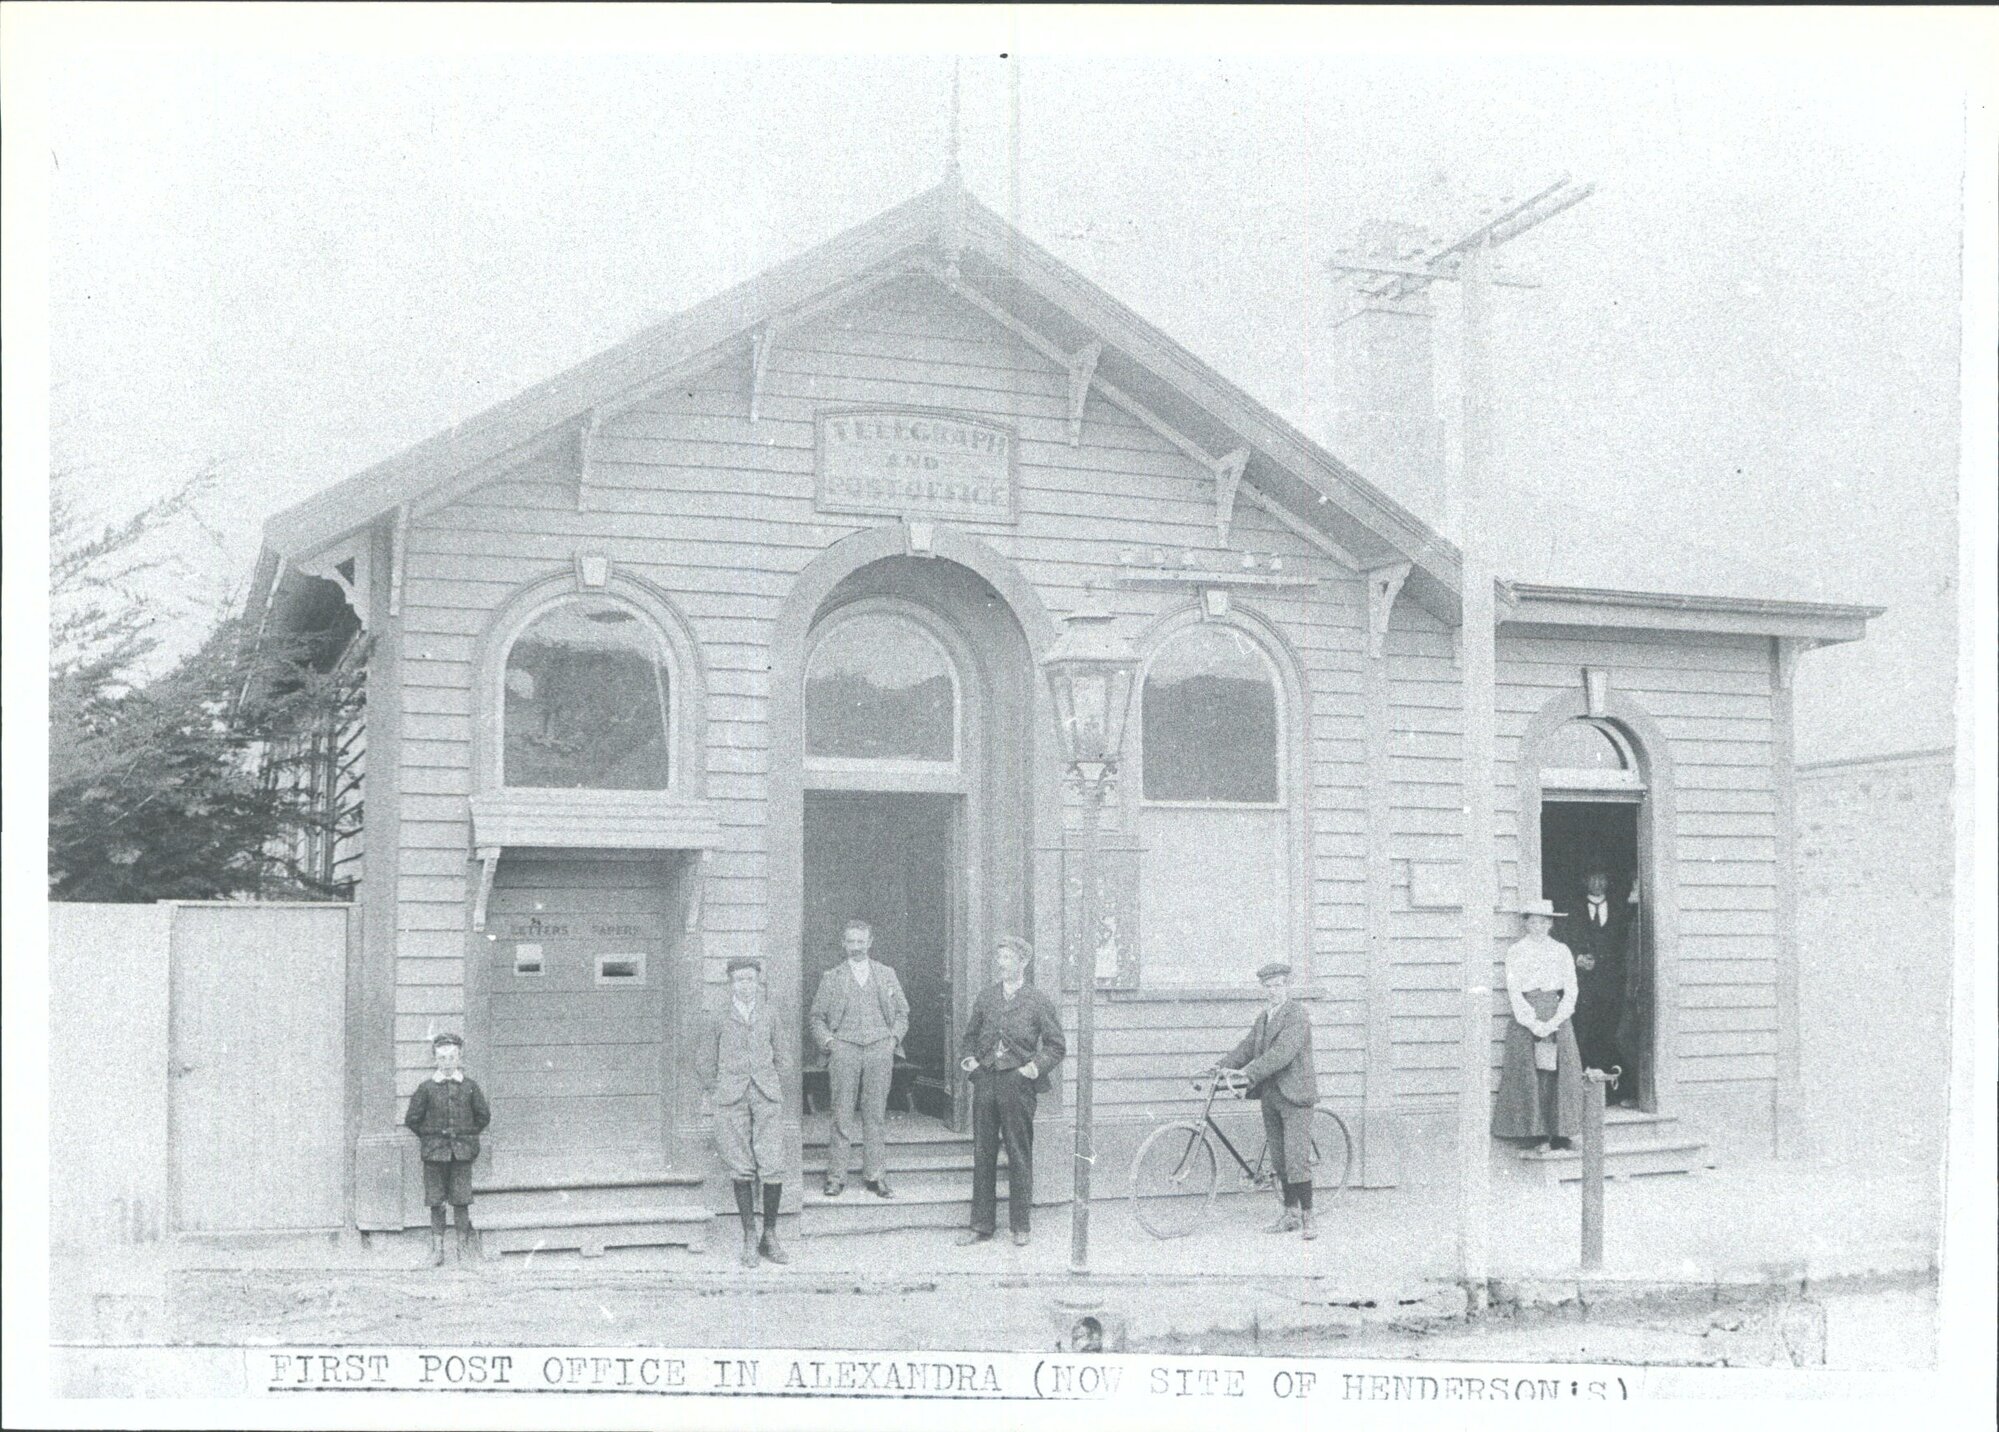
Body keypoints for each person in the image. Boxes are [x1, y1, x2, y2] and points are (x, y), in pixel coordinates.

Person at [954, 935, 1066, 1248]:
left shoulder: (1038, 1000)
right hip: (986, 1082)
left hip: (1018, 1086)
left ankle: (1021, 1225)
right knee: (983, 1153)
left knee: (1018, 1152)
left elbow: (1057, 1045)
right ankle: (981, 1225)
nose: (1001, 964)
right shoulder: (986, 997)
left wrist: (1031, 1069)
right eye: (999, 958)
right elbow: (969, 1037)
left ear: (1023, 962)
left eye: (1007, 958)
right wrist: (973, 1067)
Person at [1216, 961, 1321, 1240]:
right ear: (1263, 989)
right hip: (1271, 1094)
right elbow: (1247, 1047)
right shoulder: (1264, 1018)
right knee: (1279, 1157)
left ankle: (1309, 1217)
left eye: (1279, 985)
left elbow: (1282, 1054)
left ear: (1287, 986)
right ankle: (1290, 1214)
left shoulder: (1296, 1015)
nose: (1274, 991)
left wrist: (1247, 1074)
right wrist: (1221, 1067)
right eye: (1269, 986)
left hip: (1296, 1095)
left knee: (1296, 1157)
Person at [807, 917, 909, 1199]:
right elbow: (816, 1017)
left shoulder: (886, 974)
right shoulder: (832, 977)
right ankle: (836, 1176)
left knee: (875, 1113)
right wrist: (829, 1042)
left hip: (879, 1047)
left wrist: (892, 1040)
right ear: (843, 943)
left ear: (870, 942)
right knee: (841, 1112)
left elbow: (903, 1013)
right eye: (850, 942)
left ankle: (875, 1175)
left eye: (860, 942)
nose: (856, 947)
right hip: (844, 1048)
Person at [697, 954, 788, 1268]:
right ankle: (750, 1235)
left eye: (750, 979)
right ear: (730, 983)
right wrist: (719, 1090)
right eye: (739, 980)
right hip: (731, 1099)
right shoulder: (717, 1016)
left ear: (758, 982)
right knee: (741, 1167)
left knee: (772, 1164)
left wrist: (771, 1083)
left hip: (766, 1096)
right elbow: (705, 1062)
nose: (745, 985)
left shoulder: (770, 1013)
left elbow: (784, 1057)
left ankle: (770, 1235)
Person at [1491, 897, 1586, 1151]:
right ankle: (1539, 1135)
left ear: (1550, 924)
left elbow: (1571, 989)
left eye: (1543, 921)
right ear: (1526, 923)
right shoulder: (1516, 951)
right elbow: (1514, 991)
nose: (1538, 926)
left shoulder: (1561, 950)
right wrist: (1533, 1024)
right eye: (1533, 921)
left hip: (1557, 1015)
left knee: (1560, 1072)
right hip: (1528, 1017)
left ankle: (1564, 1132)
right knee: (1534, 1075)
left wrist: (1556, 1020)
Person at [403, 1032, 491, 1267]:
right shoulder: (426, 1088)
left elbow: (483, 1116)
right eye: (442, 1058)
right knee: (436, 1202)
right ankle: (437, 1252)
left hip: (462, 1153)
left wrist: (465, 1135)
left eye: (452, 1057)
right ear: (435, 1060)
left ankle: (462, 1251)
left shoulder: (470, 1087)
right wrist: (431, 1137)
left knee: (461, 1201)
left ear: (459, 1058)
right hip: (434, 1155)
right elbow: (412, 1119)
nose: (447, 1062)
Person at [1564, 867, 1635, 1102]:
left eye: (1602, 877)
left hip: (1611, 986)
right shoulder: (1572, 909)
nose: (1597, 882)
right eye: (1592, 877)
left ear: (1608, 881)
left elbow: (1627, 944)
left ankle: (1611, 1093)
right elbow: (1562, 941)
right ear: (1584, 880)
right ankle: (1582, 1093)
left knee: (1609, 1034)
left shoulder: (1620, 909)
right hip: (1583, 986)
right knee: (1583, 1032)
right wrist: (1577, 958)